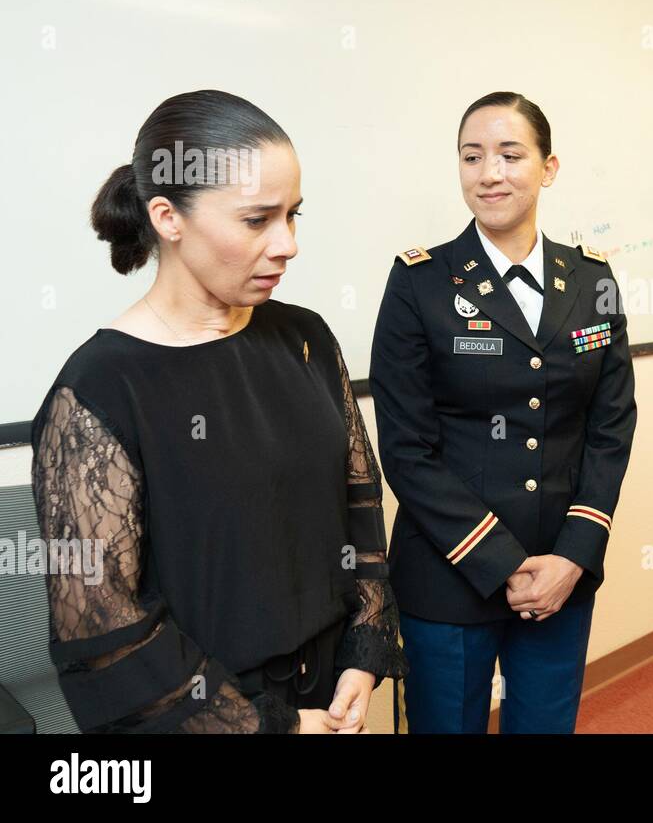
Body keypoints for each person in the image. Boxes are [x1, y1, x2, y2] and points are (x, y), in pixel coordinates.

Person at [29, 89, 407, 733]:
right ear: (168, 218)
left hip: (334, 694)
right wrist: (273, 728)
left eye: (293, 215)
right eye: (257, 220)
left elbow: (360, 507)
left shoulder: (306, 339)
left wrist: (361, 659)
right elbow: (107, 632)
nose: (287, 244)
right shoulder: (95, 393)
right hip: (212, 719)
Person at [370, 91, 636, 734]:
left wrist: (573, 555)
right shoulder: (421, 282)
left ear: (548, 168)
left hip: (560, 572)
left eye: (510, 155)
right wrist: (503, 561)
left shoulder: (593, 278)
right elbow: (406, 447)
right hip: (448, 574)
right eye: (472, 156)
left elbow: (610, 427)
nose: (489, 173)